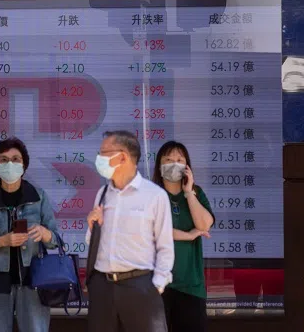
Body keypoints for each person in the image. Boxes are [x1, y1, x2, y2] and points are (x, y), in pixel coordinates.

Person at [85, 130, 174, 332]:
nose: (99, 159)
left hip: (140, 285)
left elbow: (165, 247)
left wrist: (156, 286)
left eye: (104, 153)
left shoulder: (154, 195)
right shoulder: (103, 193)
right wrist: (91, 227)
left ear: (122, 156)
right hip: (103, 286)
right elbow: (94, 244)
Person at [0, 138, 59, 332]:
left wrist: (45, 234)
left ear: (24, 165)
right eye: (3, 160)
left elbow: (57, 241)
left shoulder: (39, 196)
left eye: (15, 159)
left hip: (33, 281)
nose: (9, 164)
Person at [152, 141, 215, 332]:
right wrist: (188, 236)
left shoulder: (197, 193)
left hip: (191, 286)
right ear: (159, 164)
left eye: (179, 160)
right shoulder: (150, 195)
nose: (174, 163)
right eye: (168, 159)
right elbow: (152, 230)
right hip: (155, 285)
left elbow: (204, 225)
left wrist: (189, 193)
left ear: (187, 166)